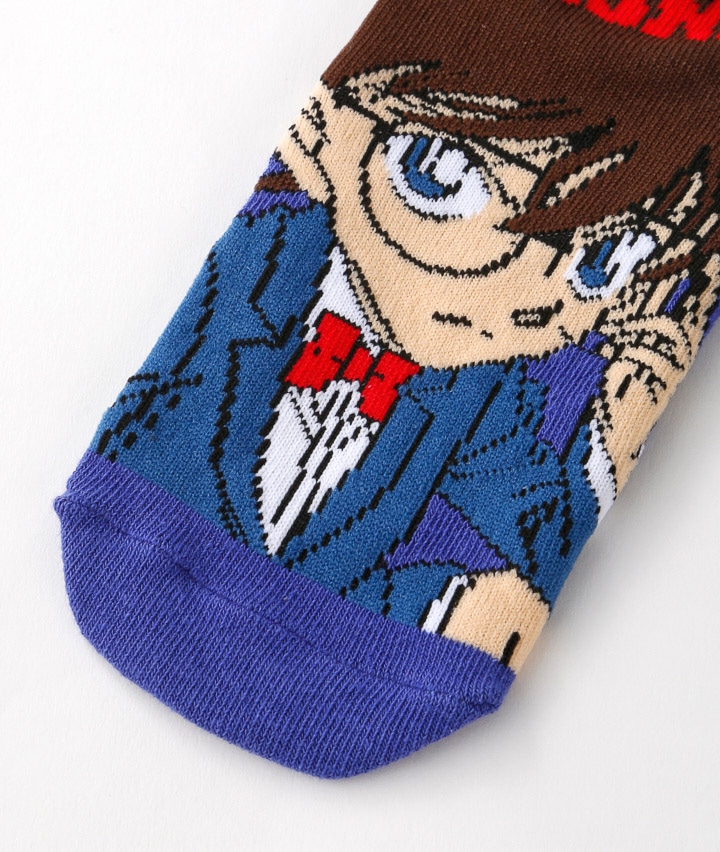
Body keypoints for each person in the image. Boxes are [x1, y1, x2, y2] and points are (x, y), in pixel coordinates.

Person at [94, 41, 720, 671]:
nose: (512, 282)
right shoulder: (264, 268)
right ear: (328, 135)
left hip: (374, 650)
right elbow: (165, 401)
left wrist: (608, 430)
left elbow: (528, 516)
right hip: (148, 527)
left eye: (600, 261)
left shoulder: (500, 404)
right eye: (440, 174)